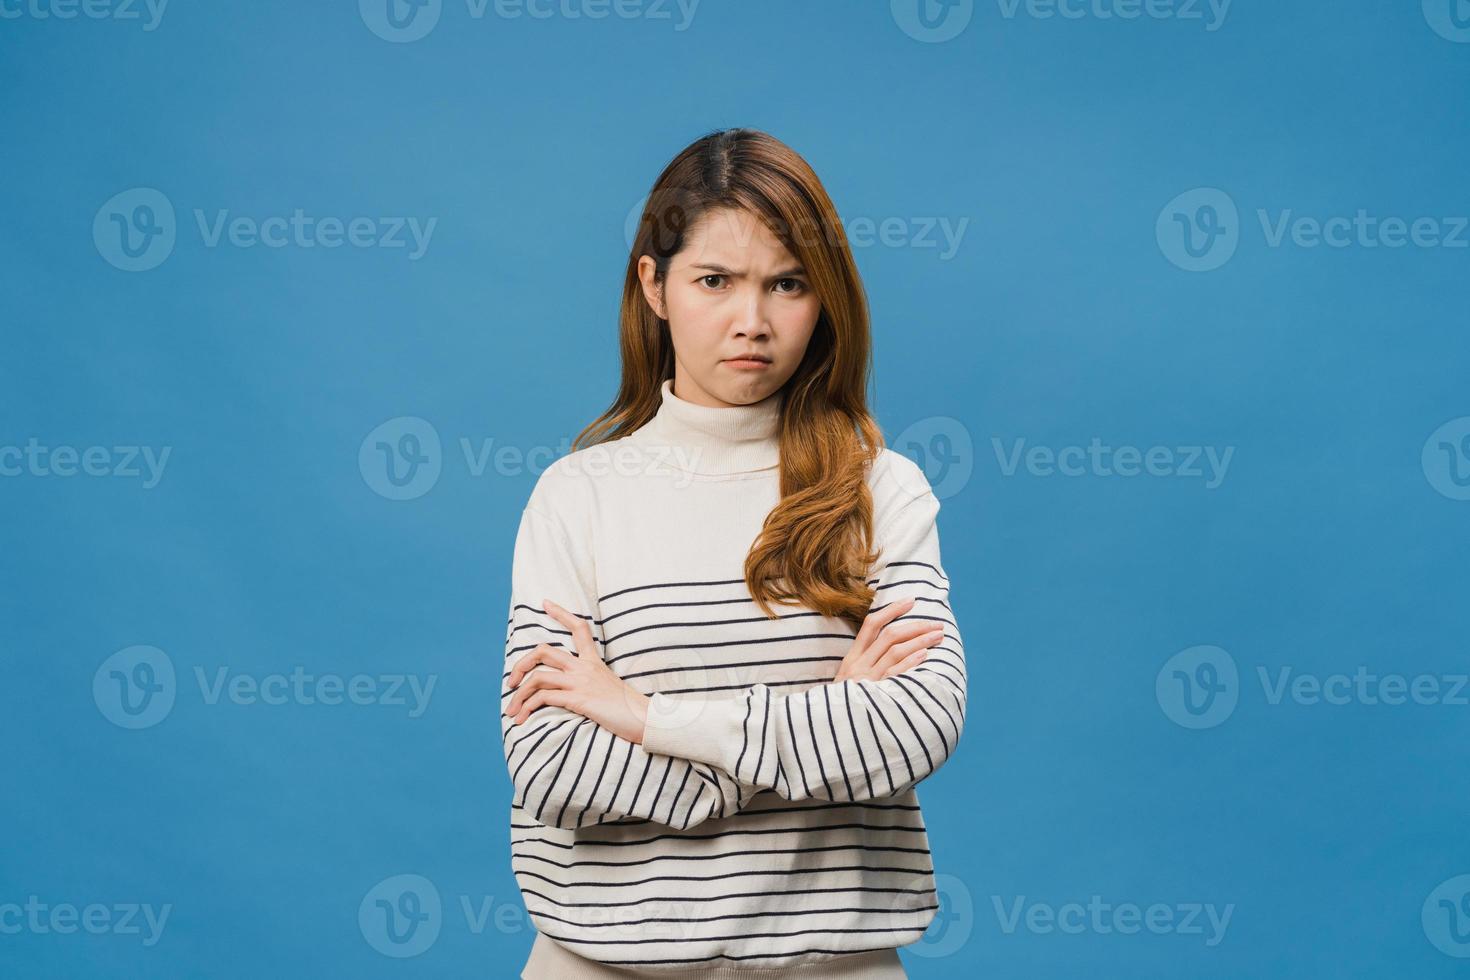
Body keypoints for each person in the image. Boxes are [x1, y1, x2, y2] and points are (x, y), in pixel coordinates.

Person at [502, 127, 967, 978]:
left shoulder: (880, 488)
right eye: (714, 281)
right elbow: (553, 763)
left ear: (824, 297)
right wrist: (813, 738)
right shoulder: (578, 495)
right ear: (655, 284)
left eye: (787, 284)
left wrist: (650, 717)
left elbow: (914, 726)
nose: (752, 322)